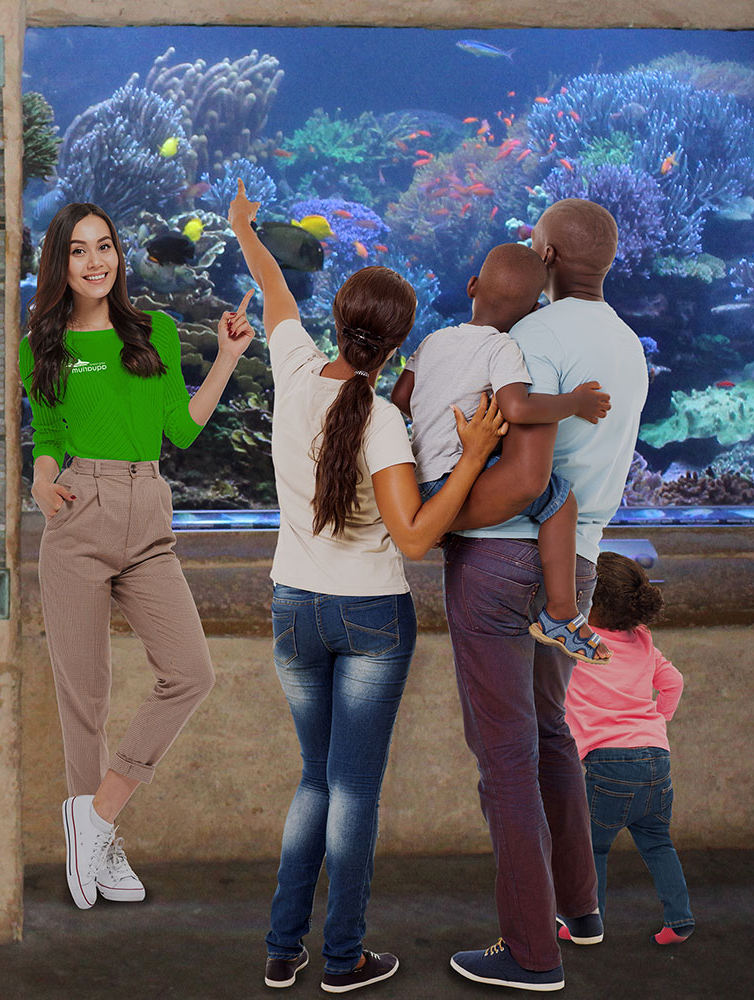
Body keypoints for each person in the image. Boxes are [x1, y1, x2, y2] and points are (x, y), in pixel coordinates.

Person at [225, 180, 510, 993]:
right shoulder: (382, 422)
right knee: (352, 792)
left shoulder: (291, 367)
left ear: (340, 319)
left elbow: (275, 287)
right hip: (369, 620)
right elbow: (417, 538)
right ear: (398, 346)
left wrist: (246, 227)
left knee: (314, 780)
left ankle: (284, 949)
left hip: (292, 610)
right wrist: (477, 453)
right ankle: (344, 959)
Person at [22, 201, 254, 911]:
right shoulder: (45, 341)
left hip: (148, 512)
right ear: (60, 264)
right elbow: (50, 428)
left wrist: (227, 358)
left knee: (189, 672)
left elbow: (180, 431)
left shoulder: (148, 329)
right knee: (83, 695)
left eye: (106, 248)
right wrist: (40, 475)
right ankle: (93, 828)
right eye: (80, 252)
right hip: (78, 511)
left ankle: (96, 817)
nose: (97, 262)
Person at [442, 199, 649, 992]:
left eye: (534, 243)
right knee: (551, 733)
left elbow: (525, 475)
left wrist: (441, 520)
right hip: (584, 563)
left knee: (505, 758)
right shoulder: (629, 346)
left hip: (503, 561)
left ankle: (530, 951)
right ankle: (580, 909)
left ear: (550, 257)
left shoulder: (530, 338)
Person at [388, 243, 613, 664]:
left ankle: (443, 524)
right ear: (532, 312)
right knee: (560, 501)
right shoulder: (503, 348)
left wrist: (438, 415)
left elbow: (402, 395)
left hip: (423, 481)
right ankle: (561, 614)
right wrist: (574, 403)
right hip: (459, 475)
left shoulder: (435, 339)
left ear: (472, 286)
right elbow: (517, 409)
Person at [563, 551, 694, 945]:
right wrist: (659, 721)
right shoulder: (643, 641)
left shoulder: (578, 642)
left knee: (592, 849)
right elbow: (674, 683)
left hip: (608, 766)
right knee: (658, 843)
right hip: (657, 760)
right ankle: (680, 920)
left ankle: (586, 923)